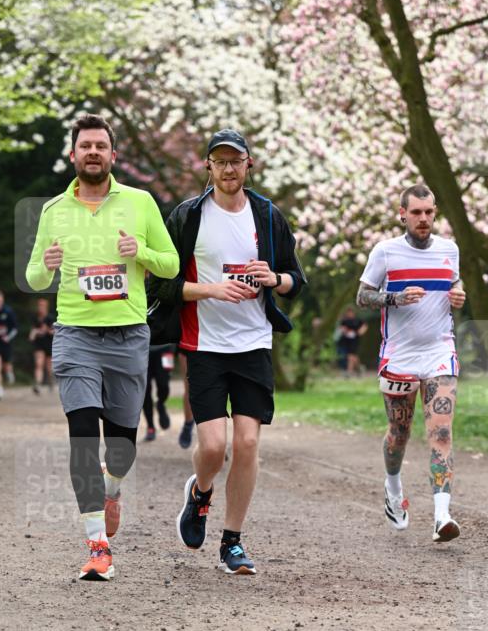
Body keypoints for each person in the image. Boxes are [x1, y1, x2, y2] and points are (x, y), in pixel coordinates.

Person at [26, 113, 179, 581]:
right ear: (73, 155)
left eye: (101, 146)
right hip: (74, 335)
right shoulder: (54, 210)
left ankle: (112, 488)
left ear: (113, 155)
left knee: (120, 449)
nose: (93, 152)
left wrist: (143, 255)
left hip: (129, 335)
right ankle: (98, 547)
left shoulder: (140, 202)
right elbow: (34, 277)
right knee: (80, 440)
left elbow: (171, 265)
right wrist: (46, 266)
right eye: (85, 146)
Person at [147, 127, 306, 575]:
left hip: (253, 343)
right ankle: (199, 493)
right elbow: (160, 284)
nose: (229, 168)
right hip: (205, 345)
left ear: (248, 164)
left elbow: (296, 279)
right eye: (220, 161)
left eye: (236, 160)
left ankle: (232, 541)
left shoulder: (268, 215)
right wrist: (211, 290)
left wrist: (275, 279)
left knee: (248, 442)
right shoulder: (188, 216)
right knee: (214, 446)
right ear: (208, 167)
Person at [356, 184, 466, 542]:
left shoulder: (449, 249)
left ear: (435, 213)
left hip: (439, 352)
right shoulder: (386, 252)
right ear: (402, 214)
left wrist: (459, 293)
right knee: (399, 433)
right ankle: (392, 489)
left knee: (441, 432)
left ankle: (441, 516)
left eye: (429, 212)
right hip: (399, 355)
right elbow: (363, 295)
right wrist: (395, 298)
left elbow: (454, 282)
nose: (423, 219)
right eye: (416, 212)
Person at [142, 344, 173, 441]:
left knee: (164, 384)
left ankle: (160, 404)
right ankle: (150, 426)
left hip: (165, 348)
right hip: (142, 350)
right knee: (144, 389)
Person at [28, 297, 55, 393]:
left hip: (49, 343)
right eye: (39, 305)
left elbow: (54, 332)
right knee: (38, 364)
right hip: (39, 344)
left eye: (42, 306)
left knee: (49, 367)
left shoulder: (50, 318)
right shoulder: (35, 318)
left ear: (46, 307)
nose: (40, 308)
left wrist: (46, 330)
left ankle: (51, 382)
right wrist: (33, 334)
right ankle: (37, 384)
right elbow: (32, 331)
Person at [337, 306, 368, 375]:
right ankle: (359, 368)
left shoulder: (357, 320)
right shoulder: (345, 320)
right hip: (347, 340)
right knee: (353, 356)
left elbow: (364, 326)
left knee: (350, 356)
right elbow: (341, 327)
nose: (350, 313)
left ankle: (349, 371)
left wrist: (361, 331)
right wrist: (343, 330)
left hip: (355, 340)